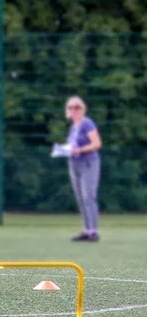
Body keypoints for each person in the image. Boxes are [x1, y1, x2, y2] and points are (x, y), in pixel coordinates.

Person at [62, 96, 102, 242]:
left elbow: (97, 143)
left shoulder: (87, 123)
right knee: (80, 198)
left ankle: (93, 231)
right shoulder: (73, 127)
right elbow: (72, 146)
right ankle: (86, 229)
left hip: (88, 163)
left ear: (83, 108)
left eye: (77, 107)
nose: (74, 110)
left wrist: (80, 150)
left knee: (88, 197)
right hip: (74, 164)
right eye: (71, 107)